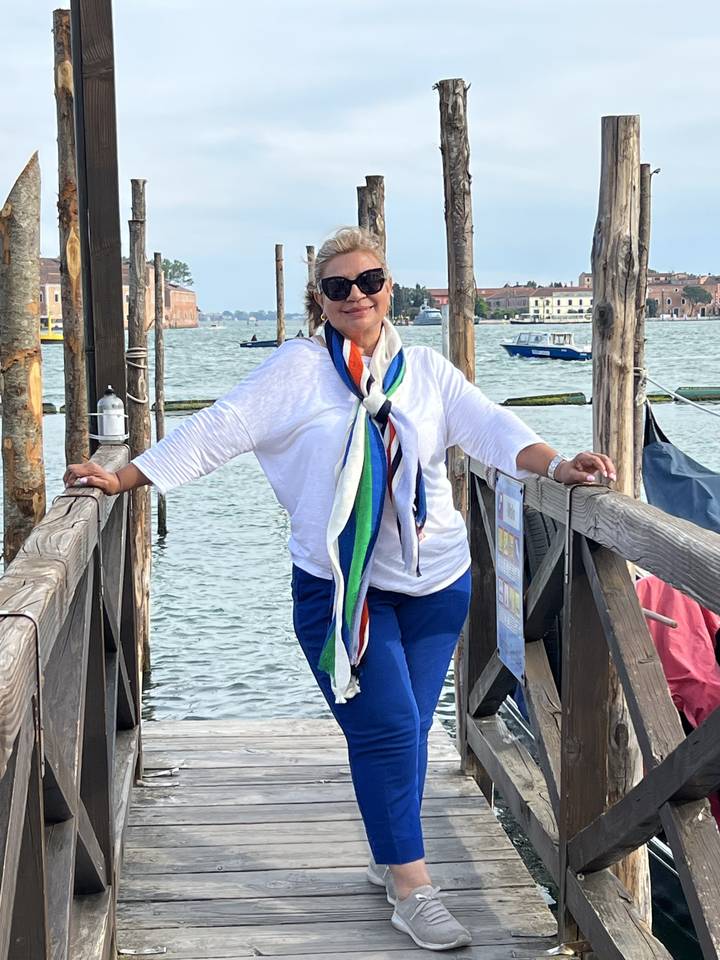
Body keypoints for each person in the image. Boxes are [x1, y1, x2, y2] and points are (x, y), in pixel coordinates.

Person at [65, 227, 615, 951]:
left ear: (389, 289)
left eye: (369, 281)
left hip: (438, 582)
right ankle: (414, 889)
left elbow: (491, 429)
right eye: (338, 287)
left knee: (407, 733)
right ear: (318, 302)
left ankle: (391, 858)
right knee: (387, 726)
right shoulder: (296, 371)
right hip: (338, 590)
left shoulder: (423, 370)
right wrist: (123, 476)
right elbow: (216, 431)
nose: (356, 295)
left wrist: (559, 465)